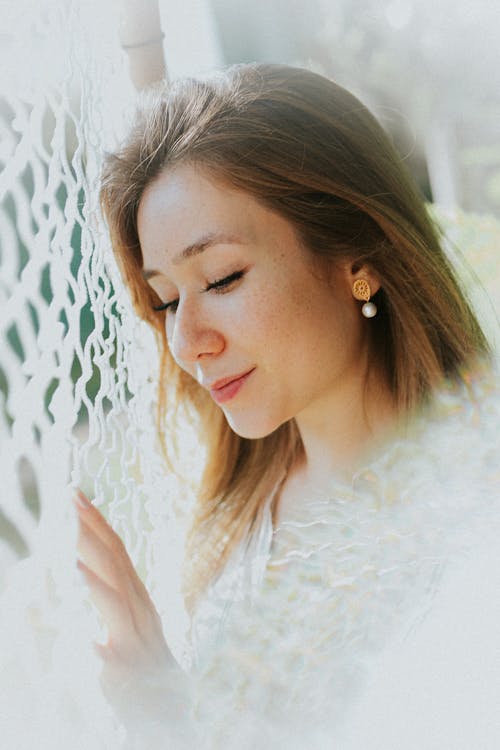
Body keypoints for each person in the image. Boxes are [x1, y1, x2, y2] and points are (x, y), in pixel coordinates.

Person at [79, 63, 498, 747]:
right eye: (165, 300)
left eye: (221, 277)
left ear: (357, 254)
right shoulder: (236, 507)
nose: (186, 343)